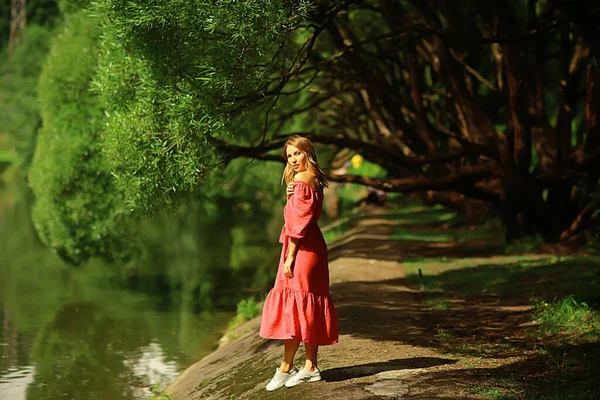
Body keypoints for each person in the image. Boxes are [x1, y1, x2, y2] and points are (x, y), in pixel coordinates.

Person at [259, 135, 339, 391]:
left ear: (307, 152)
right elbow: (300, 215)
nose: (293, 160)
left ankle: (286, 368)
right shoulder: (313, 177)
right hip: (313, 246)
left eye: (297, 153)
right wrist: (289, 195)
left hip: (302, 250)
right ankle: (308, 366)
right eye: (289, 156)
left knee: (297, 306)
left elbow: (297, 225)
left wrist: (290, 257)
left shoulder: (302, 181)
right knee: (306, 306)